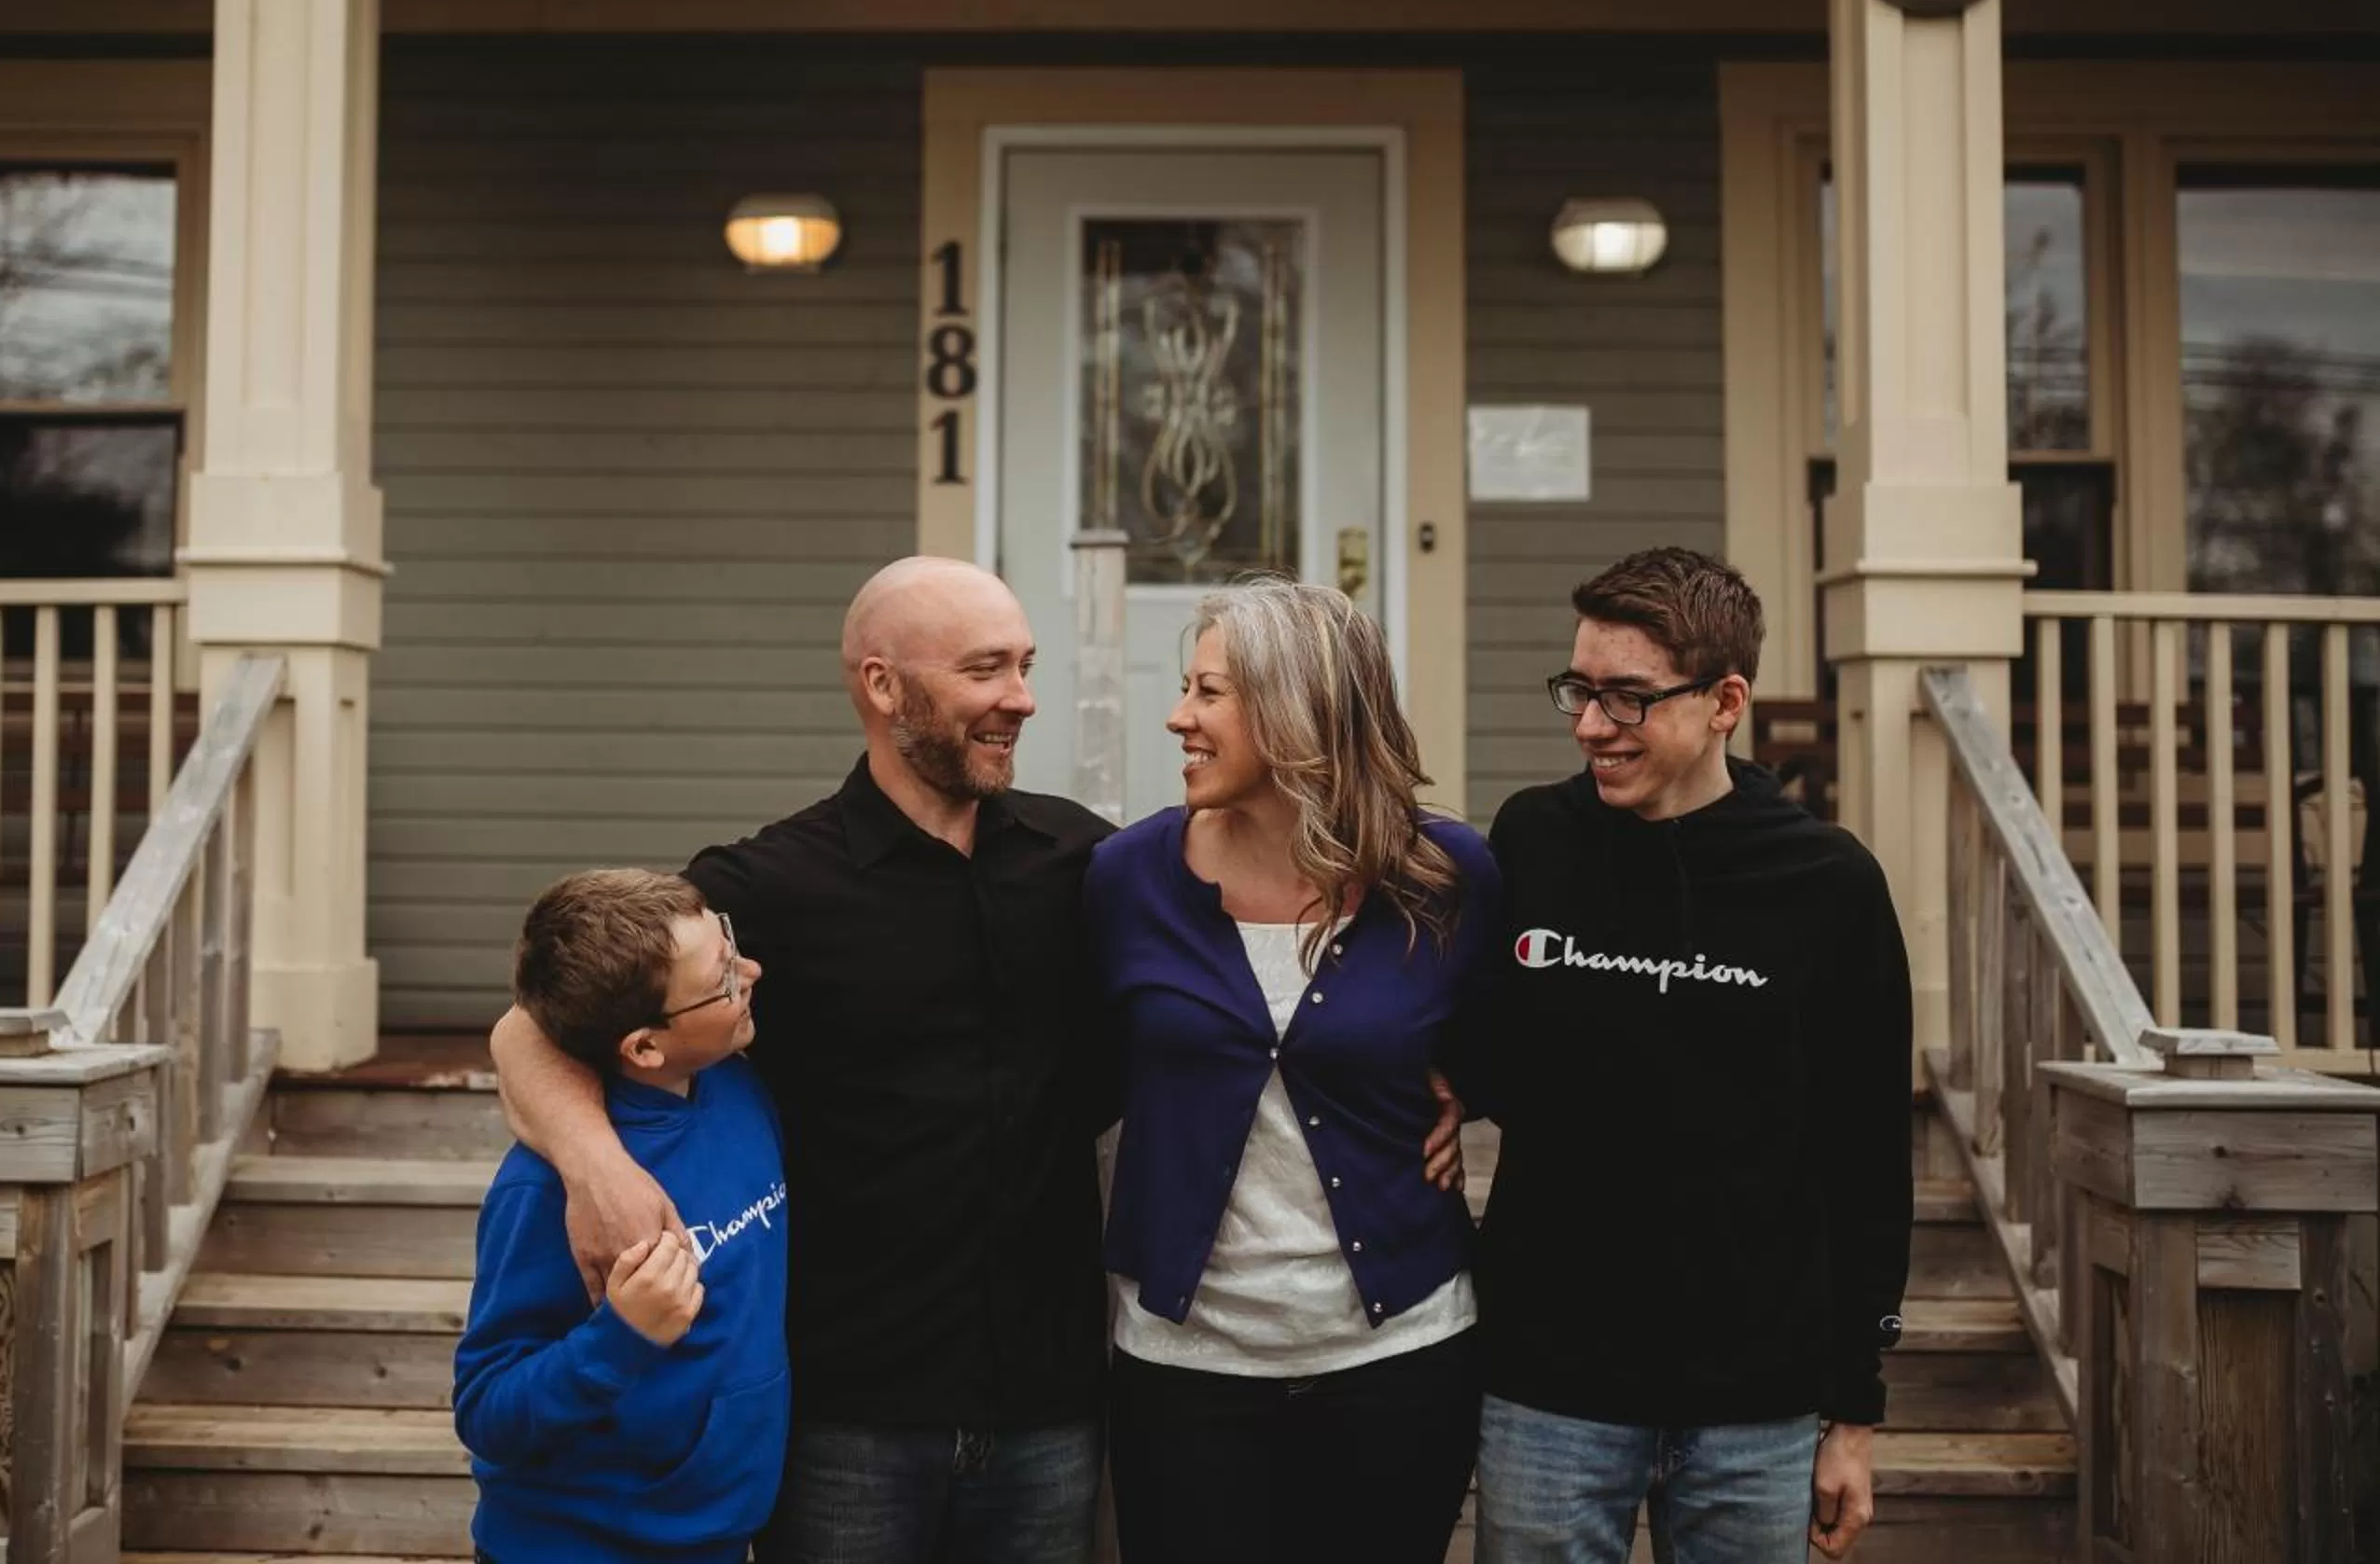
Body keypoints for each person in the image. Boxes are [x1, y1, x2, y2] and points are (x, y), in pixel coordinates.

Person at [488, 557, 1116, 1564]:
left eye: (1026, 666)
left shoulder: (1086, 861)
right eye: (987, 669)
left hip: (1049, 1410)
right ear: (882, 684)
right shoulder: (764, 887)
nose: (1021, 698)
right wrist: (596, 1168)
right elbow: (533, 1026)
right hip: (846, 1424)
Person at [1467, 547, 1913, 1564]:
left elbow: (1867, 1158)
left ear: (1726, 700)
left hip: (1755, 1405)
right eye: (1578, 690)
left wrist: (1855, 1412)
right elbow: (1486, 1050)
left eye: (1627, 699)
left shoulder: (1827, 882)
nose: (1589, 724)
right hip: (1550, 1388)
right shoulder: (1532, 840)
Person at [1089, 577, 1500, 1564]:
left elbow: (1502, 1038)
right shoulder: (1129, 878)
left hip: (1397, 1358)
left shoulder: (1443, 874)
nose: (1178, 715)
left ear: (1296, 709)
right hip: (1186, 1365)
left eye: (1209, 692)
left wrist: (1460, 1088)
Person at [452, 868, 789, 1564]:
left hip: (716, 1540)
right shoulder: (542, 1192)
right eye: (724, 978)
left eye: (730, 942)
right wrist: (622, 1338)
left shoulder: (738, 1088)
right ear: (642, 1046)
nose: (751, 971)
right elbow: (486, 1411)